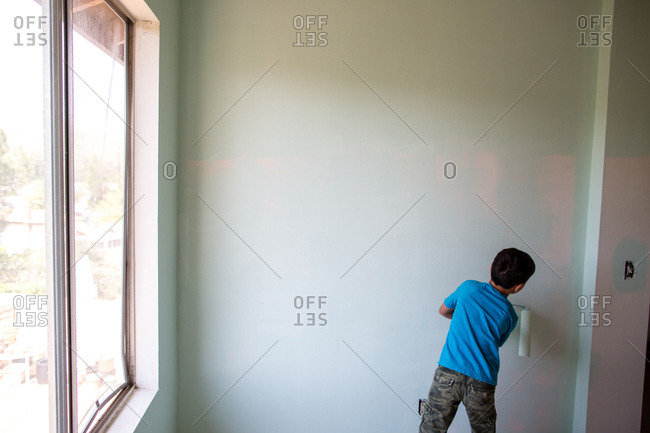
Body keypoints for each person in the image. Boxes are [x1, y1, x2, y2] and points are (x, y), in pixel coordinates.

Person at [419, 248, 536, 433]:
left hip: (448, 373)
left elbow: (443, 310)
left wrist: (463, 319)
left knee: (431, 428)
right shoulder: (510, 316)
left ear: (491, 268)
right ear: (518, 286)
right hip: (482, 382)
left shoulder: (468, 288)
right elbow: (496, 341)